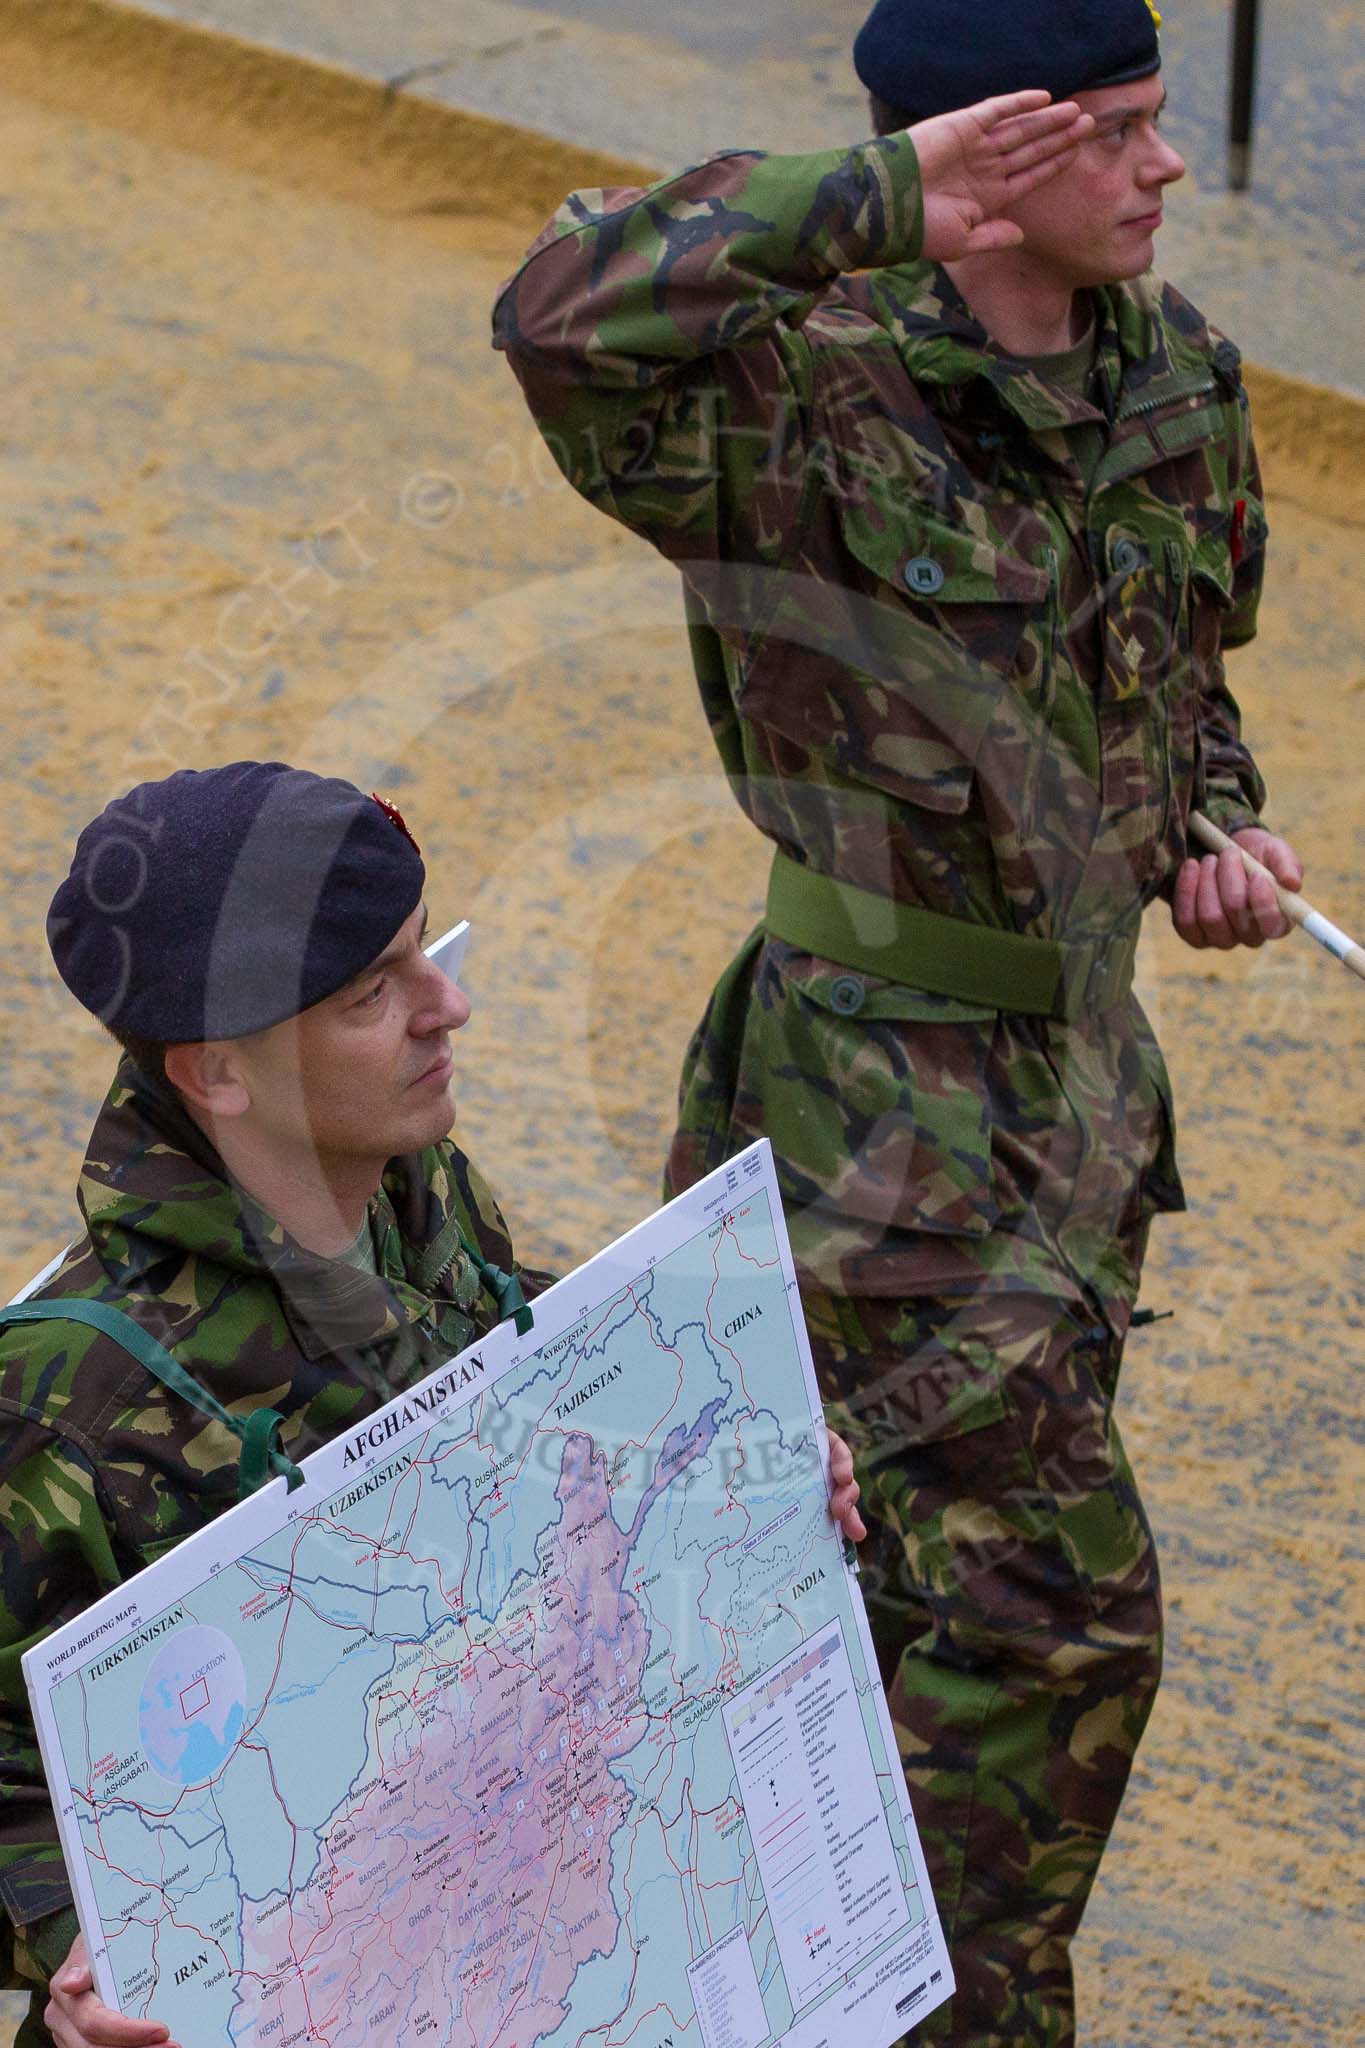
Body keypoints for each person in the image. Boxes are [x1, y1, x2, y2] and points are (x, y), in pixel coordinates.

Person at [492, 3, 1304, 2040]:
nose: (1166, 166)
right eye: (1116, 131)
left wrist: (1210, 819)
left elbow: (1170, 671)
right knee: (1041, 1623)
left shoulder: (1173, 373)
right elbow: (555, 309)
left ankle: (766, 1976)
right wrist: (879, 200)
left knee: (851, 1584)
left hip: (1080, 1094)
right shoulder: (789, 388)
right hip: (873, 1107)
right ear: (996, 152)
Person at [0, 762, 867, 2048]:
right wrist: (73, 1953)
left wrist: (734, 1451)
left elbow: (546, 1400)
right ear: (218, 1074)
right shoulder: (61, 1393)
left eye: (423, 955)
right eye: (374, 993)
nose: (447, 1005)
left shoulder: (426, 1194)